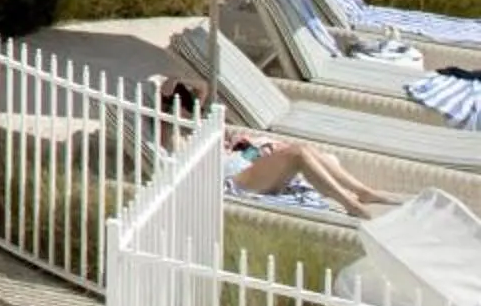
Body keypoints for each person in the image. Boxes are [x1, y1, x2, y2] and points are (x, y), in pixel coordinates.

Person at [157, 75, 402, 215]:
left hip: (246, 165)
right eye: (182, 104)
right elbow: (174, 143)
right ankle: (351, 205)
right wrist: (166, 101)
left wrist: (180, 81)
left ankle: (363, 191)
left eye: (187, 102)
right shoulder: (172, 131)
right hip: (232, 179)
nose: (188, 108)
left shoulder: (199, 123)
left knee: (306, 150)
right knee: (298, 154)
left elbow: (203, 86)